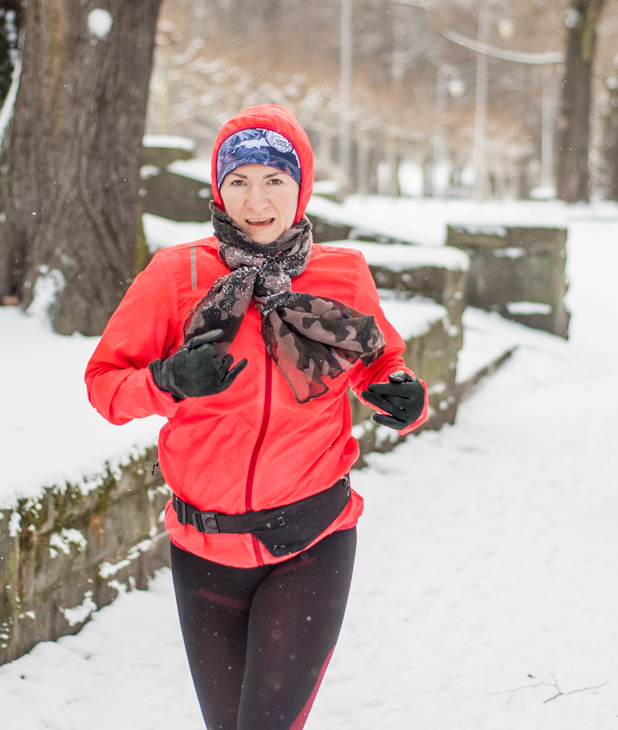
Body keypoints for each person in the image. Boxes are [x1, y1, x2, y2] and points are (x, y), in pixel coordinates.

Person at [85, 104, 429, 730]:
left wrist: (401, 393)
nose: (256, 200)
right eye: (238, 180)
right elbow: (105, 387)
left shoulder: (342, 273)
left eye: (275, 179)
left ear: (302, 187)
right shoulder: (176, 275)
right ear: (218, 187)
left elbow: (379, 362)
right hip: (205, 544)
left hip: (312, 539)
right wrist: (168, 380)